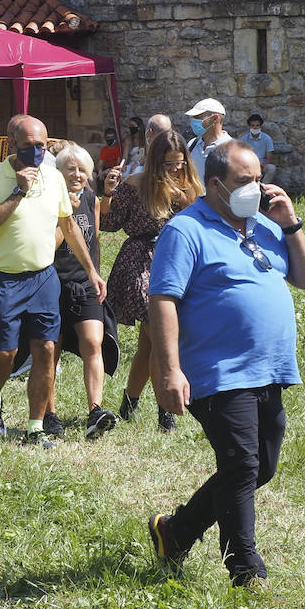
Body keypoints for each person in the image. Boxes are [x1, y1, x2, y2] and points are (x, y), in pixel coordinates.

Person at [146, 141, 305, 588]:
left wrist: (291, 223)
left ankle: (175, 531)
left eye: (260, 178)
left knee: (261, 466)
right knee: (241, 463)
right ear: (216, 184)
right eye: (246, 182)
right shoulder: (186, 230)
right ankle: (245, 569)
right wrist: (168, 370)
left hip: (270, 368)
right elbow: (162, 299)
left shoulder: (264, 225)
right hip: (218, 370)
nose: (257, 189)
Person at [0, 116, 105, 446]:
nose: (36, 152)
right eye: (29, 146)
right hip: (3, 278)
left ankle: (35, 427)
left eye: (42, 146)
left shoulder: (54, 177)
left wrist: (91, 270)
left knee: (46, 348)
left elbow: (70, 227)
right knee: (5, 353)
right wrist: (19, 190)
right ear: (11, 142)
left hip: (43, 277)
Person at [102, 129, 202, 431]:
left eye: (180, 162)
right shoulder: (135, 184)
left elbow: (199, 221)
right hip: (139, 261)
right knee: (161, 336)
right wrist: (108, 193)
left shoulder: (188, 186)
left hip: (174, 262)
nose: (176, 168)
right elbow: (109, 224)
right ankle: (165, 411)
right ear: (156, 161)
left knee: (149, 343)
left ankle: (129, 404)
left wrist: (183, 197)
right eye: (170, 163)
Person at [52, 144, 119, 439]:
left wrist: (96, 274)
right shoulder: (47, 201)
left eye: (82, 169)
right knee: (49, 351)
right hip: (52, 283)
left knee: (93, 341)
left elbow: (94, 243)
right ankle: (48, 413)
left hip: (85, 283)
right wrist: (64, 215)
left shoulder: (91, 199)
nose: (77, 174)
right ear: (59, 172)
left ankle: (95, 411)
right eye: (70, 169)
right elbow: (45, 246)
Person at [184, 98, 232, 183]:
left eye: (197, 117)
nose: (193, 121)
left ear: (215, 118)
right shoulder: (192, 145)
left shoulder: (232, 148)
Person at [122, 114, 172, 179]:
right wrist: (122, 165)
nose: (130, 128)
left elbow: (147, 156)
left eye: (132, 126)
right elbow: (124, 157)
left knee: (136, 171)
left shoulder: (146, 139)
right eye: (129, 126)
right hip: (131, 164)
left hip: (141, 164)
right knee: (123, 173)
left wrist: (138, 163)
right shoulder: (128, 140)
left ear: (139, 127)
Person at [241, 114, 277, 184]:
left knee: (271, 168)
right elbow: (242, 156)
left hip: (263, 164)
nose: (255, 128)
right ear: (249, 126)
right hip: (249, 164)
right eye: (253, 125)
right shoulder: (244, 139)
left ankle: (263, 187)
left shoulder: (267, 138)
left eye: (257, 125)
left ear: (260, 126)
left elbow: (269, 158)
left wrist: (261, 166)